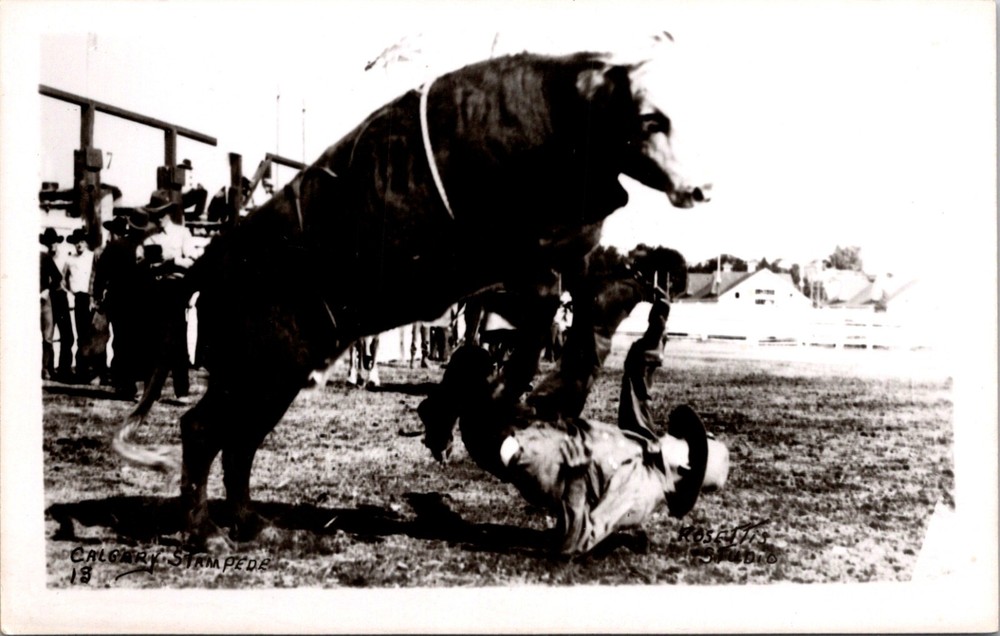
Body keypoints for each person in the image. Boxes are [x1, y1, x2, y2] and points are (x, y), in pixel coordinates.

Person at [445, 295, 729, 556]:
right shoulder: (648, 447)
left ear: (685, 467)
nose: (673, 434)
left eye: (684, 440)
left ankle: (440, 427)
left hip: (523, 451)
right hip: (544, 425)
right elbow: (637, 381)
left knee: (472, 366)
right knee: (585, 355)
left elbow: (578, 539)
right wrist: (656, 331)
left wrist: (577, 471)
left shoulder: (639, 495)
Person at [140, 190, 198, 401]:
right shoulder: (149, 237)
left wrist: (174, 261)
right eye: (155, 214)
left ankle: (181, 391)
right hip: (155, 290)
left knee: (178, 340)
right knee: (152, 340)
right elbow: (142, 265)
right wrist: (156, 264)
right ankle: (151, 390)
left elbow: (193, 262)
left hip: (175, 289)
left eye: (162, 213)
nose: (158, 217)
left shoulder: (182, 234)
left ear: (169, 213)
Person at [92, 210, 154, 399]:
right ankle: (142, 384)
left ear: (129, 225)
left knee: (121, 342)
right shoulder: (148, 248)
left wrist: (97, 297)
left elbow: (100, 275)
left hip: (118, 302)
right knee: (140, 341)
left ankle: (124, 384)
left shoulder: (115, 247)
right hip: (142, 303)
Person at [63, 228, 96, 380]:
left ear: (86, 242)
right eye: (76, 242)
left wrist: (94, 297)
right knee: (80, 334)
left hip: (90, 298)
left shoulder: (92, 256)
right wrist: (69, 293)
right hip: (77, 299)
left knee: (92, 334)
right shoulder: (70, 259)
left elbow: (96, 276)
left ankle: (93, 369)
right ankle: (81, 369)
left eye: (82, 241)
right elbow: (63, 279)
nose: (79, 245)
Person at [39, 228, 64, 380]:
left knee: (47, 336)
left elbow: (58, 276)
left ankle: (45, 368)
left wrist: (47, 289)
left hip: (43, 299)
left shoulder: (44, 257)